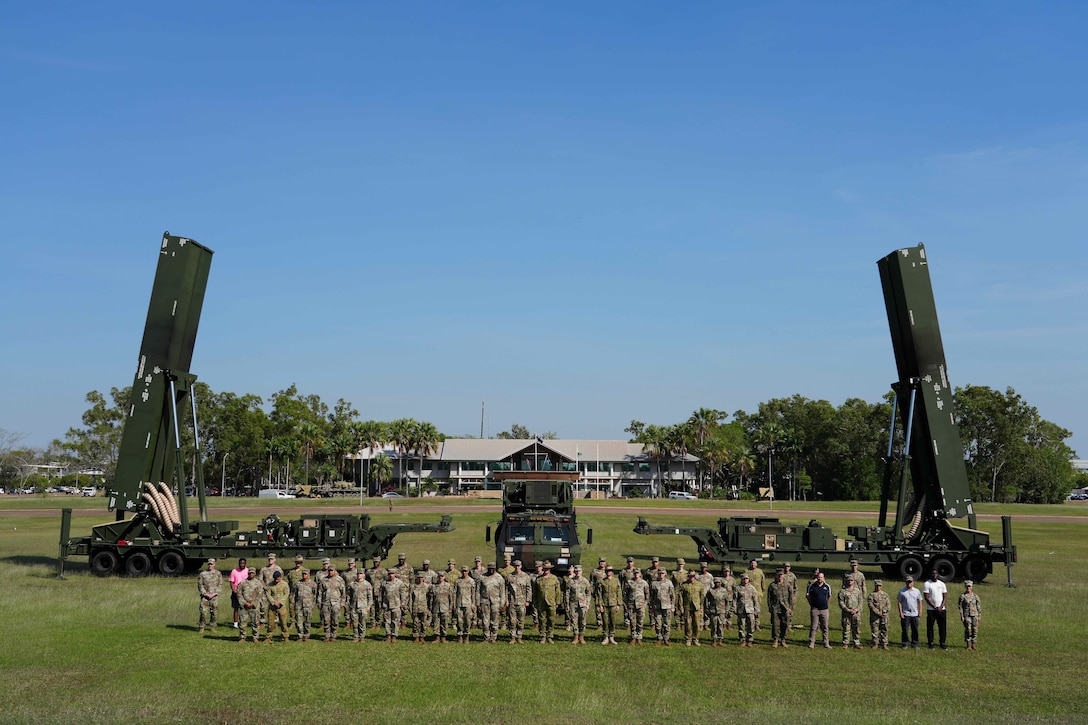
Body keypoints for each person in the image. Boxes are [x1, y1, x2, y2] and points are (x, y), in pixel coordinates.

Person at [478, 562, 507, 643]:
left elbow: (502, 592)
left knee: (495, 620)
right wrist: (478, 603)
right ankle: (486, 637)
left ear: (495, 569)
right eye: (490, 569)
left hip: (496, 602)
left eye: (493, 569)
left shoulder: (499, 578)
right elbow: (478, 591)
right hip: (484, 601)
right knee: (485, 620)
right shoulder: (482, 577)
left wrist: (502, 603)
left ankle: (494, 637)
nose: (491, 570)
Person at [533, 561, 562, 643]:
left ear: (550, 569)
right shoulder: (538, 579)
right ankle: (542, 636)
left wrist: (558, 602)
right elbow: (535, 592)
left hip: (551, 602)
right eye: (545, 568)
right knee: (541, 619)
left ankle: (550, 636)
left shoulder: (554, 578)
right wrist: (535, 602)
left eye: (548, 569)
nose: (546, 570)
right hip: (541, 602)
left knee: (551, 620)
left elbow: (558, 591)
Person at [766, 568, 794, 648]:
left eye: (781, 575)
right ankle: (775, 640)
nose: (780, 577)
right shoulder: (772, 585)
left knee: (785, 624)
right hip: (775, 608)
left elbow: (791, 597)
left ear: (783, 576)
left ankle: (783, 640)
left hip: (785, 608)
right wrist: (770, 607)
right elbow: (769, 598)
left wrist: (791, 608)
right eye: (778, 575)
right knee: (775, 625)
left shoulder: (788, 585)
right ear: (776, 575)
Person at [506, 560, 532, 644]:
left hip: (522, 602)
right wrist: (506, 600)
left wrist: (528, 600)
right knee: (512, 621)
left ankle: (519, 637)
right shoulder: (509, 576)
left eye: (518, 566)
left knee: (521, 620)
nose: (517, 567)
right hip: (512, 601)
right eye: (515, 566)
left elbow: (529, 589)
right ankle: (513, 637)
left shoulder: (526, 576)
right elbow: (506, 589)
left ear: (521, 566)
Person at [566, 564, 592, 644]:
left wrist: (588, 604)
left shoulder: (585, 581)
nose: (578, 573)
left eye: (579, 571)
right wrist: (567, 604)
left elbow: (588, 593)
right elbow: (567, 593)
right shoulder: (570, 581)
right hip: (573, 604)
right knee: (574, 620)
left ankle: (581, 636)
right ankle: (575, 637)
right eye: (576, 571)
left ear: (582, 572)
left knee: (582, 621)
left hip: (583, 604)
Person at [380, 569, 408, 642]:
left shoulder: (399, 583)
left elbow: (403, 594)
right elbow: (381, 594)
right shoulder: (384, 583)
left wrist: (403, 603)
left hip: (396, 604)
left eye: (392, 574)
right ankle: (388, 635)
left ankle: (394, 636)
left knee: (395, 621)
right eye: (389, 574)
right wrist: (381, 603)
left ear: (395, 574)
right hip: (386, 604)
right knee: (387, 621)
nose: (391, 575)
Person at [806, 570, 832, 648]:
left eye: (821, 577)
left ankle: (826, 643)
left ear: (823, 578)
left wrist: (825, 603)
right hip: (815, 609)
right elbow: (808, 596)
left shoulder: (827, 586)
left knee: (825, 627)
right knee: (813, 627)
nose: (820, 579)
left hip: (824, 610)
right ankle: (811, 643)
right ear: (816, 578)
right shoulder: (812, 586)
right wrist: (812, 604)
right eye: (818, 577)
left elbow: (829, 596)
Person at [237, 567, 264, 642]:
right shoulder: (242, 583)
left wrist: (253, 603)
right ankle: (242, 637)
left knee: (255, 622)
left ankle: (255, 637)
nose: (251, 574)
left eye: (252, 573)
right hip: (244, 606)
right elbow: (239, 594)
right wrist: (244, 603)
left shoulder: (258, 583)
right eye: (249, 573)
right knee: (242, 622)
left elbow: (260, 594)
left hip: (254, 606)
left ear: (255, 574)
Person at [923, 569, 948, 649]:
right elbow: (926, 597)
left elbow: (945, 596)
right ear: (931, 574)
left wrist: (941, 606)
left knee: (942, 627)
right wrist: (934, 606)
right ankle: (930, 643)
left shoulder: (942, 584)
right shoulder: (927, 584)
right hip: (931, 609)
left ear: (938, 574)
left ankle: (942, 643)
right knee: (930, 626)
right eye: (933, 573)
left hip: (941, 609)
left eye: (936, 573)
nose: (934, 575)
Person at [320, 564, 346, 642]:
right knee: (326, 620)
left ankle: (333, 635)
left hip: (336, 603)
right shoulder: (323, 580)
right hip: (326, 602)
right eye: (329, 570)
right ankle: (327, 636)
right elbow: (320, 592)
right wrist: (319, 602)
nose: (330, 572)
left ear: (335, 571)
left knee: (335, 620)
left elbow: (343, 592)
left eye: (332, 570)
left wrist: (342, 603)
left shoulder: (340, 580)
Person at [678, 570, 704, 646]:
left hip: (696, 607)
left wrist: (701, 607)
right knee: (688, 624)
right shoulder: (684, 585)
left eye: (692, 576)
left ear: (694, 577)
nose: (691, 578)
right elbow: (680, 597)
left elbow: (702, 596)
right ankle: (688, 639)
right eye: (690, 576)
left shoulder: (699, 584)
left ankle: (695, 639)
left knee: (696, 624)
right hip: (687, 606)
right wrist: (681, 607)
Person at [650, 569, 675, 646]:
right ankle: (659, 639)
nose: (661, 575)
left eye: (662, 573)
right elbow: (651, 596)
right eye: (660, 573)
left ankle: (666, 639)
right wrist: (651, 607)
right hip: (657, 606)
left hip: (667, 606)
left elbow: (672, 595)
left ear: (665, 574)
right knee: (658, 623)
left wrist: (672, 606)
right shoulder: (654, 583)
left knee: (667, 623)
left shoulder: (669, 583)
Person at [624, 567, 650, 645]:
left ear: (640, 574)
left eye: (638, 573)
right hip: (631, 605)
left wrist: (645, 604)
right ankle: (633, 637)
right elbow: (625, 594)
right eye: (635, 573)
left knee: (640, 622)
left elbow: (647, 595)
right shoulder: (629, 582)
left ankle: (639, 637)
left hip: (641, 605)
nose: (636, 574)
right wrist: (627, 604)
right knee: (632, 622)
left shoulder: (644, 583)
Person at [598, 566, 623, 645]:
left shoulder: (616, 581)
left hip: (613, 604)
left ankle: (612, 636)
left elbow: (619, 592)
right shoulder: (602, 581)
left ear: (612, 572)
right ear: (605, 572)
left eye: (610, 570)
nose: (609, 572)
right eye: (607, 570)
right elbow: (599, 594)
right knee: (605, 621)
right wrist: (600, 604)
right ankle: (605, 636)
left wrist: (618, 604)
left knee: (613, 621)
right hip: (605, 604)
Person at [197, 558, 223, 633]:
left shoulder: (218, 573)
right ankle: (202, 626)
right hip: (205, 597)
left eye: (211, 564)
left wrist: (215, 593)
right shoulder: (203, 574)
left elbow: (220, 584)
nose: (210, 565)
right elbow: (200, 585)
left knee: (214, 613)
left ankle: (213, 626)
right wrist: (205, 593)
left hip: (214, 596)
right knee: (203, 612)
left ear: (214, 565)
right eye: (209, 564)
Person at [347, 569, 374, 643]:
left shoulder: (367, 584)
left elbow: (370, 597)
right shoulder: (352, 584)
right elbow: (349, 596)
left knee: (362, 622)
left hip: (363, 606)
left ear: (364, 575)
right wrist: (349, 605)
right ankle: (356, 636)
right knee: (355, 623)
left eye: (361, 573)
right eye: (358, 573)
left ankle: (362, 637)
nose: (359, 575)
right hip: (354, 606)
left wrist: (368, 606)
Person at [453, 566, 478, 643]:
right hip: (459, 603)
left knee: (467, 620)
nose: (464, 572)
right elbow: (455, 593)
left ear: (468, 572)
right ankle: (460, 635)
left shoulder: (471, 581)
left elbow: (473, 593)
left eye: (466, 571)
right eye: (463, 571)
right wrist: (454, 604)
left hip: (468, 603)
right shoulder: (458, 581)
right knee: (459, 621)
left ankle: (466, 635)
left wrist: (473, 604)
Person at [897, 576, 923, 648]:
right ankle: (905, 643)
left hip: (915, 614)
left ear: (913, 583)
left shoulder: (917, 591)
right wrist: (901, 612)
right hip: (906, 613)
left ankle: (915, 643)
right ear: (905, 582)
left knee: (915, 629)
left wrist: (920, 611)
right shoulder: (902, 591)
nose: (909, 583)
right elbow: (899, 602)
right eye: (907, 582)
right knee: (905, 629)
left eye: (910, 582)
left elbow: (920, 601)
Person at [734, 572, 760, 647]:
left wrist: (756, 609)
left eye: (746, 579)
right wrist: (735, 609)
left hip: (750, 609)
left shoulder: (752, 588)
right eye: (744, 579)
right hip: (741, 609)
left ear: (748, 579)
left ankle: (750, 640)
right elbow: (735, 599)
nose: (745, 580)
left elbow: (755, 600)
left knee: (751, 625)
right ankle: (742, 640)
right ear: (741, 579)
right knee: (741, 626)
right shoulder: (738, 588)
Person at [838, 576, 863, 649]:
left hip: (856, 613)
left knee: (856, 628)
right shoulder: (842, 591)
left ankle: (857, 643)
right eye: (848, 580)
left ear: (854, 581)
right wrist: (847, 609)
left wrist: (857, 609)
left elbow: (861, 602)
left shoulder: (858, 591)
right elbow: (841, 602)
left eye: (851, 580)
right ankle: (845, 643)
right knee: (846, 628)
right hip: (846, 613)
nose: (850, 582)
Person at [265, 570, 290, 642]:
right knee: (270, 622)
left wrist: (280, 602)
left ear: (280, 577)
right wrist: (273, 602)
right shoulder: (270, 585)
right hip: (272, 606)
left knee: (283, 622)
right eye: (275, 579)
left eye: (278, 579)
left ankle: (285, 636)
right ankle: (268, 637)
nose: (276, 580)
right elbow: (268, 594)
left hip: (281, 606)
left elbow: (286, 594)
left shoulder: (285, 584)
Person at [705, 576, 730, 647]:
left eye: (718, 582)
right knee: (714, 626)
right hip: (713, 611)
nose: (717, 584)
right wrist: (707, 609)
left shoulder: (724, 591)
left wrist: (727, 611)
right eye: (715, 582)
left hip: (722, 611)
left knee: (720, 625)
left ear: (720, 583)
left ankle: (720, 640)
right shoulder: (710, 591)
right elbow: (706, 600)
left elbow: (727, 601)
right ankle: (714, 640)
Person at [431, 570, 456, 643]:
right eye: (439, 576)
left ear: (444, 577)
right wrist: (430, 608)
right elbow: (431, 598)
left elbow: (451, 598)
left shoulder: (448, 586)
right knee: (436, 623)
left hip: (445, 607)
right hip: (436, 607)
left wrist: (450, 607)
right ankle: (437, 637)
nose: (440, 577)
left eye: (442, 576)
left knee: (444, 623)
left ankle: (443, 637)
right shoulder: (434, 586)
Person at [958, 580, 982, 650]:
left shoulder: (975, 596)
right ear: (965, 587)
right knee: (968, 630)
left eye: (970, 586)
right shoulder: (962, 596)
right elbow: (960, 607)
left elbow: (978, 606)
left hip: (975, 615)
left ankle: (973, 644)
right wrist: (962, 616)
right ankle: (968, 644)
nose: (968, 588)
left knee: (975, 630)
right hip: (967, 615)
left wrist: (979, 615)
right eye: (967, 586)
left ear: (972, 587)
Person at [294, 569, 317, 641]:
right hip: (299, 605)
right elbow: (294, 594)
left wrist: (313, 604)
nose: (304, 575)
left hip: (308, 605)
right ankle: (300, 636)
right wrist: (294, 604)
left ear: (309, 575)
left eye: (305, 574)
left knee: (307, 621)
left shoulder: (312, 584)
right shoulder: (298, 583)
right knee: (299, 621)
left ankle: (306, 635)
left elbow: (316, 595)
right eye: (303, 574)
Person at [868, 579, 891, 649]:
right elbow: (871, 605)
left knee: (884, 629)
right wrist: (877, 612)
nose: (878, 587)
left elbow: (888, 604)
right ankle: (875, 643)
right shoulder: (871, 595)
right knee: (875, 630)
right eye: (877, 586)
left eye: (879, 586)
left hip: (884, 615)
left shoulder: (885, 594)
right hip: (875, 616)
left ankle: (884, 643)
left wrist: (884, 611)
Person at [409, 570, 432, 643]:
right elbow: (410, 598)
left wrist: (429, 608)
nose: (420, 579)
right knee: (415, 623)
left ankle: (422, 636)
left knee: (423, 623)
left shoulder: (427, 587)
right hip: (415, 607)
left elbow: (429, 598)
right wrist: (410, 608)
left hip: (424, 607)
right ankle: (416, 637)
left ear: (424, 578)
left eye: (421, 577)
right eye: (418, 577)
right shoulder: (413, 586)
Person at [618, 556, 639, 630]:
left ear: (633, 562)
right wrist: (620, 592)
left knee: (636, 609)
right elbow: (620, 582)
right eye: (629, 562)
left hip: (635, 592)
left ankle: (635, 623)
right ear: (627, 563)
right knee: (626, 609)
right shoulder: (623, 571)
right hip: (626, 593)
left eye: (631, 562)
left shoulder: (636, 571)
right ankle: (627, 624)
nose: (630, 563)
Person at [285, 555, 305, 629]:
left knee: (301, 607)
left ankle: (301, 622)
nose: (298, 563)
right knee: (292, 607)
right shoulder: (291, 572)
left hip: (301, 592)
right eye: (297, 562)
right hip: (292, 593)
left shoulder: (304, 571)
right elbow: (288, 582)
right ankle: (293, 622)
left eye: (300, 562)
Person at [746, 559, 765, 631]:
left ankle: (757, 624)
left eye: (754, 563)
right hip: (749, 593)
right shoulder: (747, 571)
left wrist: (762, 591)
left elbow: (763, 581)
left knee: (757, 609)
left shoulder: (759, 571)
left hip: (758, 592)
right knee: (749, 609)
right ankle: (750, 624)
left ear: (756, 564)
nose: (753, 564)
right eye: (752, 563)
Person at [229, 557, 248, 629]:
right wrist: (234, 590)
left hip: (245, 592)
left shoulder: (248, 571)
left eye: (243, 563)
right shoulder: (234, 571)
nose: (241, 565)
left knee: (245, 608)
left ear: (245, 564)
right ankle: (235, 624)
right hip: (236, 592)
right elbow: (231, 582)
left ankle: (243, 622)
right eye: (240, 563)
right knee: (236, 608)